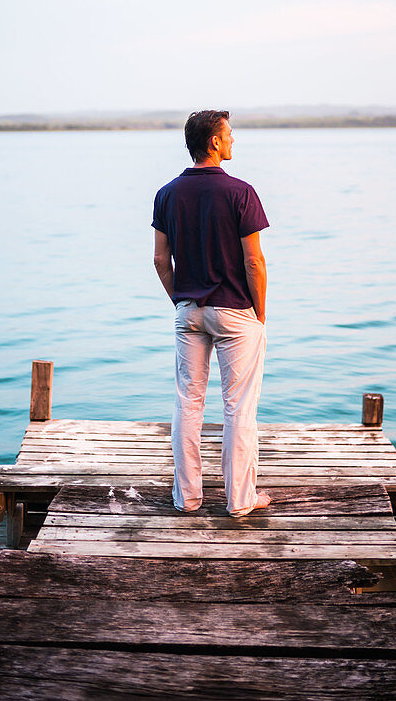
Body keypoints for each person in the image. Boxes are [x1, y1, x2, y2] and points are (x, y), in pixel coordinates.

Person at [152, 109, 271, 518]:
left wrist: (180, 300)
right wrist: (260, 312)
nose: (234, 140)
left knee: (188, 403)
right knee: (238, 407)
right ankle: (240, 501)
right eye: (230, 135)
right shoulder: (241, 192)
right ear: (214, 143)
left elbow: (159, 259)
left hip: (189, 311)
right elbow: (253, 262)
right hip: (236, 311)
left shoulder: (167, 193)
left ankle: (187, 498)